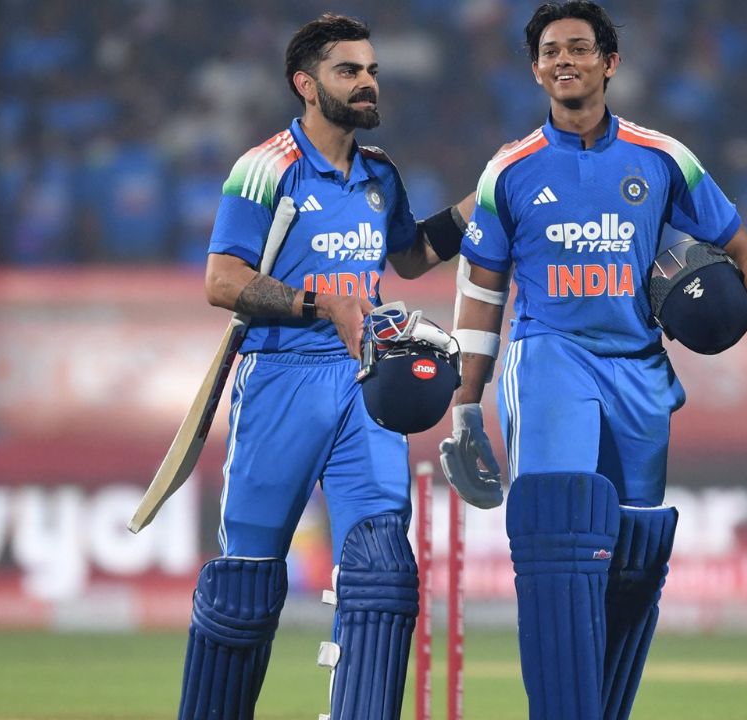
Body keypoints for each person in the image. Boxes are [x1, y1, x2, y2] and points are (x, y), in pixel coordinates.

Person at [437, 3, 747, 718]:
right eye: (551, 51)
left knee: (636, 553)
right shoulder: (509, 169)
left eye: (579, 48)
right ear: (535, 70)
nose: (565, 60)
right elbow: (483, 289)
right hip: (549, 358)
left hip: (640, 370)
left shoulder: (662, 157)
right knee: (559, 532)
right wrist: (466, 407)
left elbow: (744, 253)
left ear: (610, 62)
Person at [175, 14, 475, 720]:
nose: (367, 82)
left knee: (383, 576)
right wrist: (322, 305)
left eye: (371, 70)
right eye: (349, 71)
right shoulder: (265, 168)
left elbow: (409, 257)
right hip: (280, 379)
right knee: (244, 592)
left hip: (365, 383)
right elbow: (221, 280)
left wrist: (483, 202)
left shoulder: (380, 173)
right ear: (306, 85)